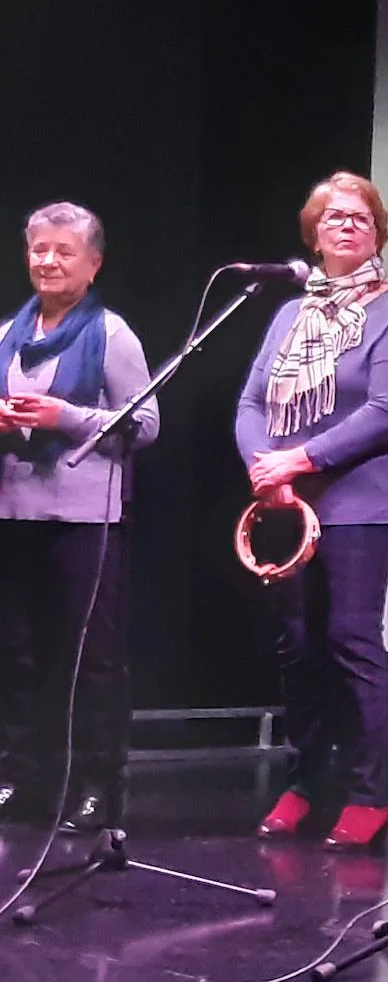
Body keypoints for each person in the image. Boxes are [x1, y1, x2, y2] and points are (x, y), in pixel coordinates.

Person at [236, 171, 388, 849]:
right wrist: (266, 467)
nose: (347, 225)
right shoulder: (290, 314)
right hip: (285, 505)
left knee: (349, 640)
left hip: (356, 505)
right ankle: (306, 781)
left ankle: (370, 794)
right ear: (313, 232)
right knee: (299, 648)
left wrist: (300, 459)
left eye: (361, 218)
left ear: (378, 233)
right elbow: (251, 403)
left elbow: (385, 411)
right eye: (335, 216)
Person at [0, 201, 160, 832]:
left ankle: (98, 786)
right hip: (15, 513)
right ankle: (20, 777)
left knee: (91, 659)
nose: (49, 261)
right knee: (18, 655)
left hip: (85, 519)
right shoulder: (8, 332)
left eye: (64, 251)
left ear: (92, 265)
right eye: (39, 249)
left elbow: (145, 425)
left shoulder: (113, 336)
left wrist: (61, 418)